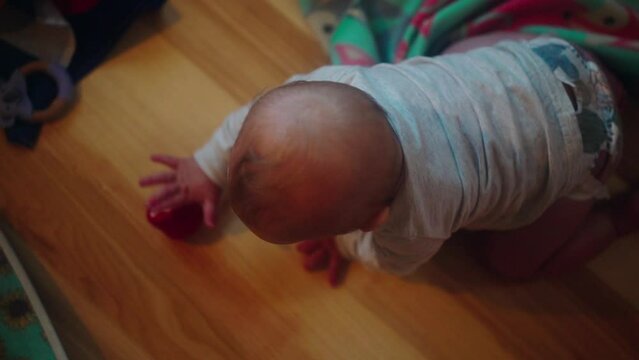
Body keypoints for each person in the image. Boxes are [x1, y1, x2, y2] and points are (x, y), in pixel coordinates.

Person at [139, 33, 638, 286]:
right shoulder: (341, 85)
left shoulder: (416, 221)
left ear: (375, 219)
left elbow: (388, 259)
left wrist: (346, 244)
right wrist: (209, 164)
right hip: (548, 60)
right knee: (454, 53)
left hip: (589, 147)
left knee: (507, 262)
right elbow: (252, 119)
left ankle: (619, 219)